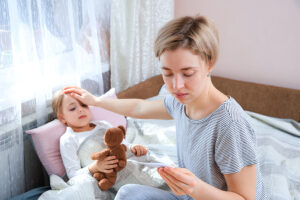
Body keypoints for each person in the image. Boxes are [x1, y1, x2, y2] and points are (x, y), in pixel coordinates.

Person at [64, 15, 267, 200]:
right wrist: (96, 102)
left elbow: (244, 198)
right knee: (128, 194)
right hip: (191, 196)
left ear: (210, 63)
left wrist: (195, 187)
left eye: (187, 73)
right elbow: (139, 108)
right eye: (168, 73)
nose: (176, 85)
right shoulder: (181, 102)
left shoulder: (230, 124)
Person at [51, 89, 148, 198]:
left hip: (128, 164)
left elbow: (123, 144)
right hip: (109, 178)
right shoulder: (68, 140)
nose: (80, 110)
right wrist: (95, 167)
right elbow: (73, 175)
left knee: (153, 176)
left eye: (84, 105)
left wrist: (133, 147)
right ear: (62, 118)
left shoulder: (103, 125)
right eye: (73, 108)